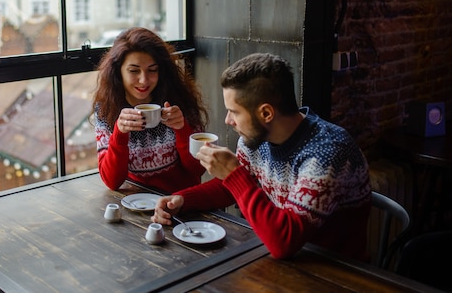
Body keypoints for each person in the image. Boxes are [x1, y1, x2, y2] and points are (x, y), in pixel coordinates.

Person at [151, 53, 371, 260]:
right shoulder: (254, 139)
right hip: (275, 254)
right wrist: (183, 199)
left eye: (234, 112)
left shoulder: (326, 153)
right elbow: (232, 188)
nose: (228, 120)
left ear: (266, 113)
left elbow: (283, 243)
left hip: (333, 270)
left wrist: (233, 173)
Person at [92, 27, 209, 193]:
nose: (144, 80)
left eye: (152, 70)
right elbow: (112, 182)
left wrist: (182, 129)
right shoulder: (107, 109)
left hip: (182, 201)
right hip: (137, 203)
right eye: (134, 71)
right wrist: (120, 132)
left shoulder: (178, 99)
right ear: (118, 72)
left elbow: (198, 169)